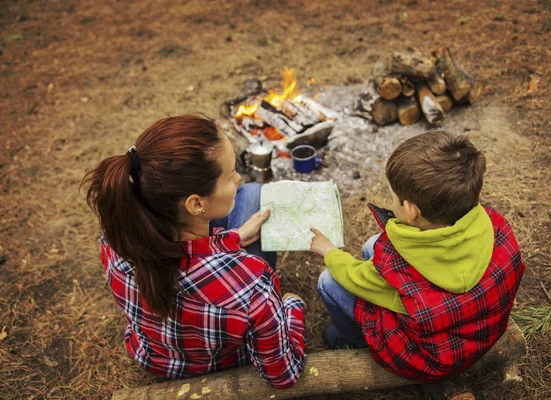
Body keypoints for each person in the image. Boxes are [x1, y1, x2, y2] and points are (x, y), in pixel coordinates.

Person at [83, 114, 306, 388]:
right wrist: (291, 306)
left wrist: (232, 238)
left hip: (153, 356)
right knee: (251, 194)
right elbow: (283, 376)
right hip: (221, 364)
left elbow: (180, 262)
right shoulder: (252, 286)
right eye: (229, 175)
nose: (237, 179)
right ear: (196, 204)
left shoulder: (117, 237)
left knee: (248, 195)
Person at [309, 131, 526, 382]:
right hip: (481, 330)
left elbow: (354, 277)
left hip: (429, 359)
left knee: (329, 281)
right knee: (372, 245)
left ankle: (350, 341)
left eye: (393, 197)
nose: (391, 201)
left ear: (412, 210)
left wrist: (329, 251)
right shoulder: (496, 224)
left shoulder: (397, 264)